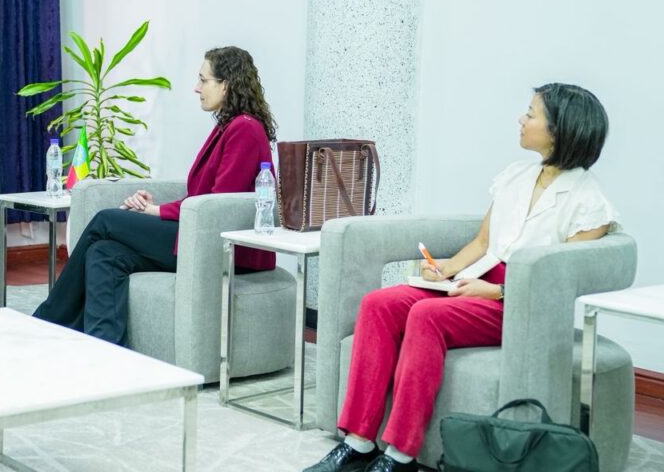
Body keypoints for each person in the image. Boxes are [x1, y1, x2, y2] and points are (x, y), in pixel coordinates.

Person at [304, 83, 618, 472]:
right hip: (477, 280)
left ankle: (400, 455)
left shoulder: (590, 203)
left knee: (426, 316)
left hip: (522, 303)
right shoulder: (516, 176)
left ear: (560, 130)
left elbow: (563, 279)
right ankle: (359, 442)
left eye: (531, 114)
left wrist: (498, 291)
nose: (521, 119)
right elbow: (484, 242)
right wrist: (446, 269)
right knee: (379, 304)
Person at [32, 46, 279, 345]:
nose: (196, 88)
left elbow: (217, 204)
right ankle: (103, 348)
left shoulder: (245, 129)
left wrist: (154, 211)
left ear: (225, 85)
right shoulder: (229, 125)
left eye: (203, 80)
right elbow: (200, 197)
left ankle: (45, 320)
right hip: (197, 232)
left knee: (105, 220)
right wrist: (156, 207)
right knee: (104, 253)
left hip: (218, 246)